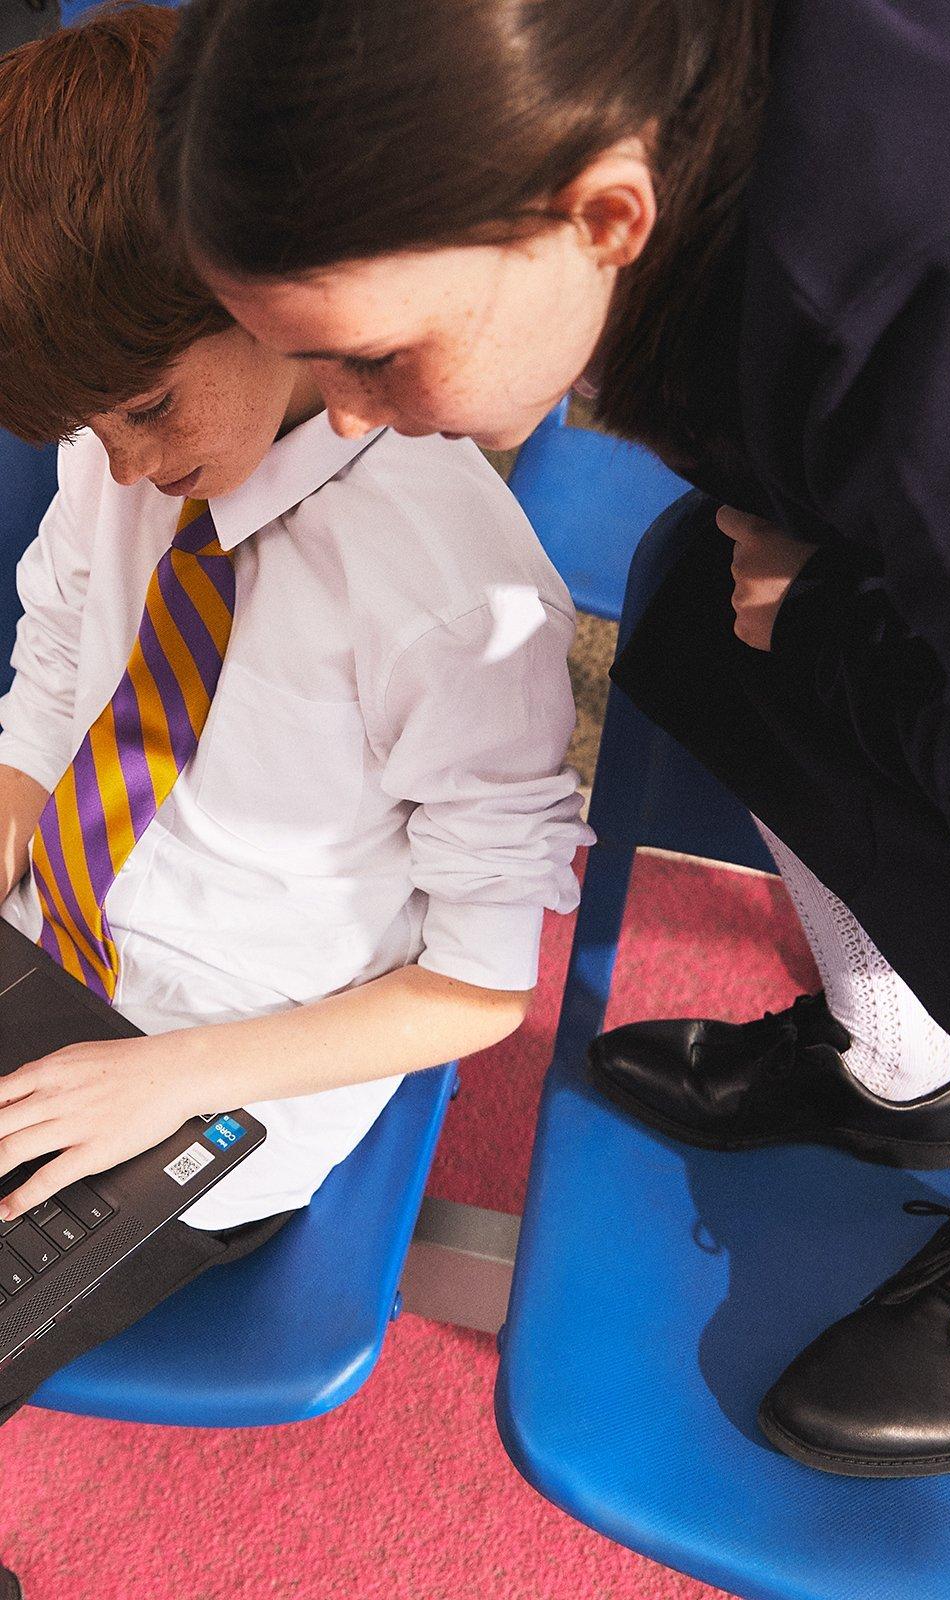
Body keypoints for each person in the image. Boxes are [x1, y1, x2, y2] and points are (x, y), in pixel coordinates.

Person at [153, 0, 950, 1480]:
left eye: (375, 357)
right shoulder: (637, 105)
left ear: (604, 213)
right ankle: (893, 1072)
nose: (337, 414)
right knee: (702, 621)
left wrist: (836, 626)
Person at [0, 0, 586, 1440]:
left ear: (262, 292)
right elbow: (54, 699)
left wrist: (169, 1078)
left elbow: (481, 984)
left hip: (224, 1069)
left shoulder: (457, 600)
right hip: (48, 969)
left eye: (146, 406)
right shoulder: (119, 457)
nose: (130, 467)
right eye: (95, 432)